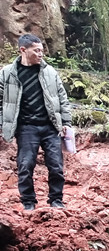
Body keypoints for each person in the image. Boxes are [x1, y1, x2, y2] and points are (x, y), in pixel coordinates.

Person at [0, 33, 72, 210]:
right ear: (23, 50)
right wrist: (4, 123)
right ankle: (28, 202)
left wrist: (66, 122)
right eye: (36, 50)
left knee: (56, 166)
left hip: (50, 126)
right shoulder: (8, 73)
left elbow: (62, 98)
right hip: (26, 128)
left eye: (41, 50)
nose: (41, 54)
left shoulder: (49, 72)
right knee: (25, 165)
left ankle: (56, 200)